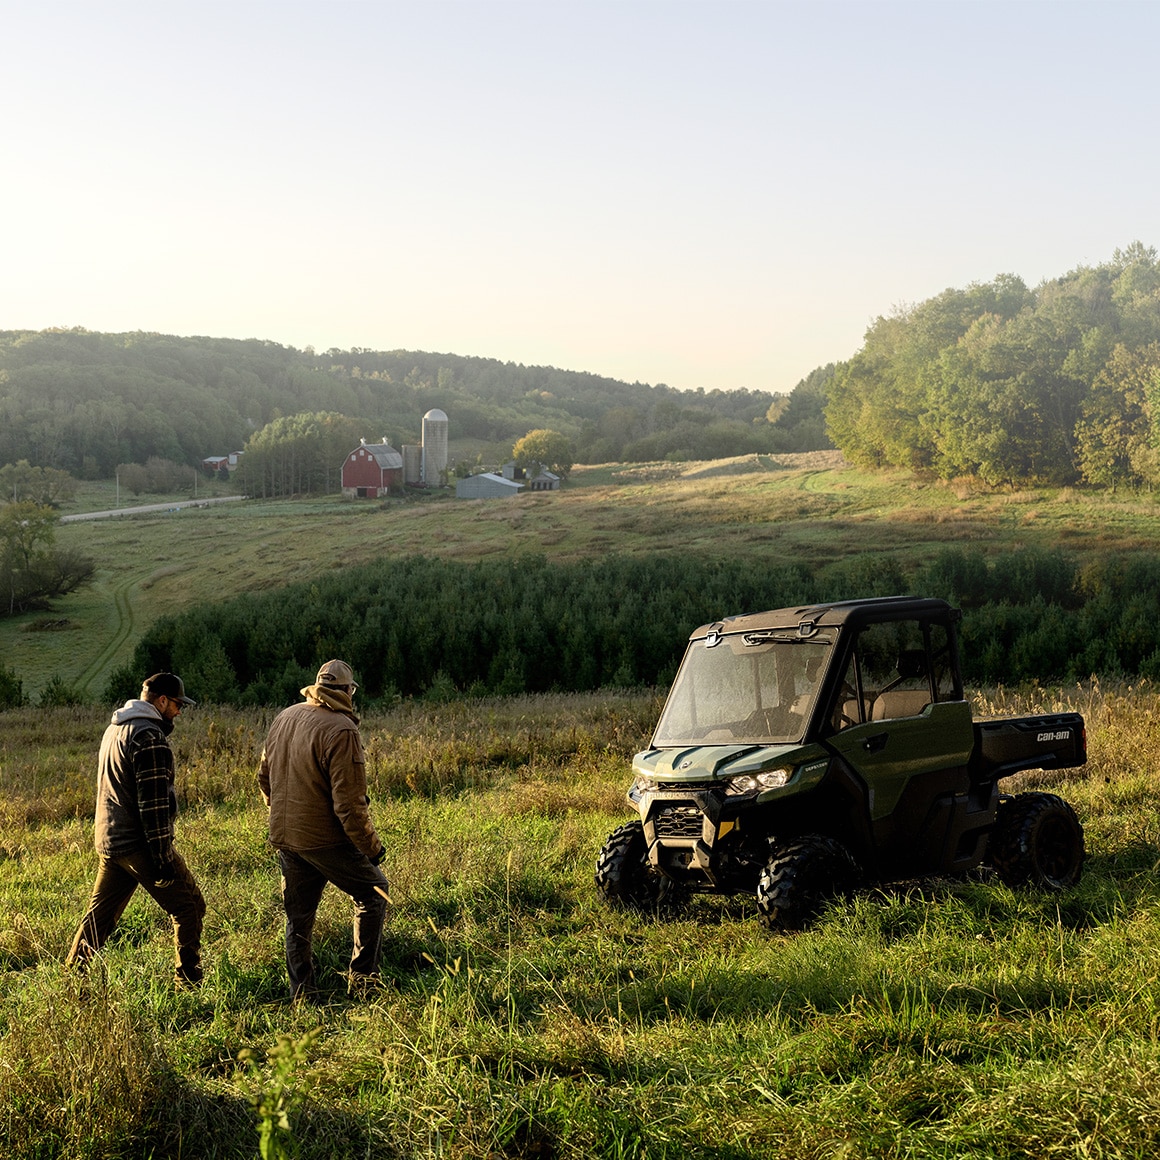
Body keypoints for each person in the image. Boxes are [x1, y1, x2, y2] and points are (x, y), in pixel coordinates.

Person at [258, 659, 389, 1001]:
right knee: (374, 894)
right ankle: (363, 984)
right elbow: (350, 806)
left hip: (286, 838)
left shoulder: (285, 716)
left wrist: (284, 815)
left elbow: (263, 778)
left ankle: (302, 993)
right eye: (352, 689)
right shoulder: (342, 730)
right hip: (324, 840)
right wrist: (372, 848)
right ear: (347, 691)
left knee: (298, 917)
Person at [67, 672, 206, 988]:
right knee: (190, 907)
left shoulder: (116, 729)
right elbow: (153, 807)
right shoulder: (150, 738)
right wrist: (162, 859)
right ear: (161, 701)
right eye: (177, 705)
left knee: (99, 918)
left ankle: (73, 981)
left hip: (110, 840)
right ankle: (188, 984)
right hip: (139, 846)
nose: (179, 712)